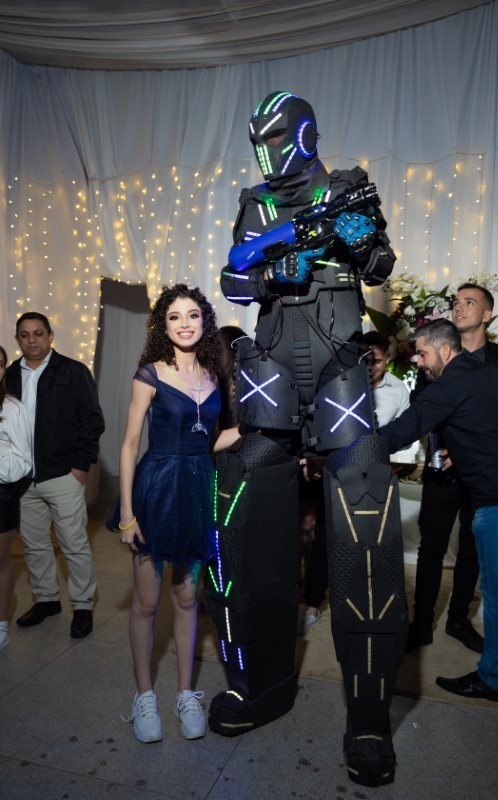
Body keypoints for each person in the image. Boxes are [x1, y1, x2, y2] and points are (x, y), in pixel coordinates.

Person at [212, 90, 407, 788]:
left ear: (303, 135)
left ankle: (368, 720)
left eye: (274, 138)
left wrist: (354, 239)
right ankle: (257, 685)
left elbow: (380, 266)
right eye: (257, 141)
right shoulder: (255, 204)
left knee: (364, 511)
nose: (265, 153)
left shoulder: (347, 187)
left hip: (338, 371)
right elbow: (234, 279)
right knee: (237, 501)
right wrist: (273, 271)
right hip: (268, 372)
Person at [380, 318, 498, 702]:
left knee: (497, 594)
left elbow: (399, 432)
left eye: (422, 353)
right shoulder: (496, 376)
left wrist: (344, 449)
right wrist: (461, 452)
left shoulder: (447, 386)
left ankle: (493, 679)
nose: (418, 361)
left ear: (445, 350)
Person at [112, 284, 239, 744]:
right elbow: (129, 445)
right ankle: (144, 696)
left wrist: (252, 429)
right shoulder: (150, 374)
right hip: (156, 489)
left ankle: (186, 693)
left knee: (187, 599)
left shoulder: (214, 375)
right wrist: (128, 514)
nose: (185, 324)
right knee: (147, 603)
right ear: (162, 326)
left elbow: (211, 439)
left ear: (204, 321)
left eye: (192, 315)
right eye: (174, 317)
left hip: (198, 489)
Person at [408, 283, 498, 653]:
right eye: (455, 302)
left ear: (487, 314)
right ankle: (421, 623)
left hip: (486, 474)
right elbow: (421, 407)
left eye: (469, 302)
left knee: (472, 549)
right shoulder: (434, 354)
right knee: (431, 545)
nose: (458, 308)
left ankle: (458, 619)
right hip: (442, 468)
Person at [299, 330, 410, 634]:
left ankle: (366, 604)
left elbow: (404, 434)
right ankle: (312, 605)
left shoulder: (398, 390)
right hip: (338, 470)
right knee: (325, 540)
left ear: (388, 358)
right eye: (364, 360)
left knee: (372, 543)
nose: (370, 366)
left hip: (375, 475)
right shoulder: (340, 384)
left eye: (376, 361)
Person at [6, 313, 105, 639]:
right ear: (17, 340)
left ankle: (83, 606)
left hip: (63, 474)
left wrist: (80, 467)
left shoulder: (73, 372)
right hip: (24, 480)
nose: (31, 340)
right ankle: (46, 599)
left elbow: (92, 421)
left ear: (50, 335)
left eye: (38, 333)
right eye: (24, 335)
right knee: (34, 544)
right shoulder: (10, 375)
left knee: (74, 544)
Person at [0, 346, 32, 651]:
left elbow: (24, 461)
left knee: (0, 562)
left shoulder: (13, 408)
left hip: (1, 494)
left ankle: (0, 625)